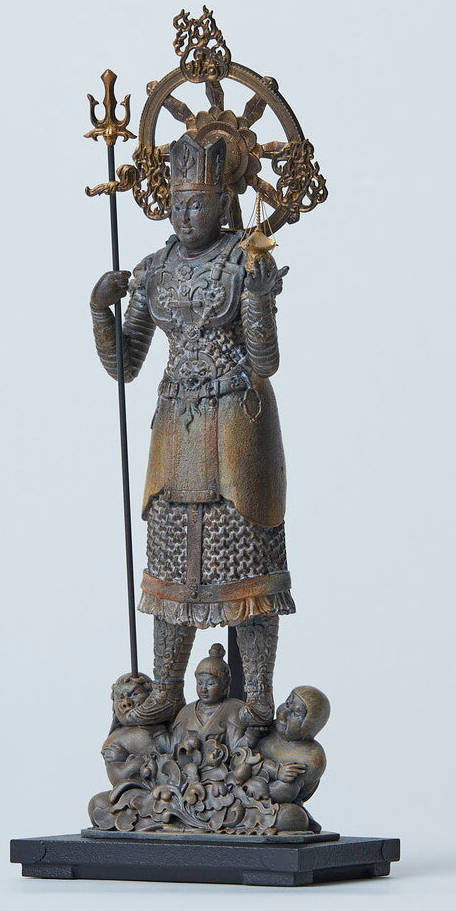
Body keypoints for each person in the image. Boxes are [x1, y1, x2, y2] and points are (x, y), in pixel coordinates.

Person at [90, 133, 293, 726]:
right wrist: (101, 310)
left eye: (198, 203)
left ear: (224, 202)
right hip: (176, 430)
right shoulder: (155, 270)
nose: (185, 215)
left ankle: (258, 694)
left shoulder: (243, 261)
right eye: (177, 204)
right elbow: (125, 364)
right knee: (172, 559)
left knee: (247, 564)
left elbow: (264, 361)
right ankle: (166, 686)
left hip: (236, 422)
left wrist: (258, 298)